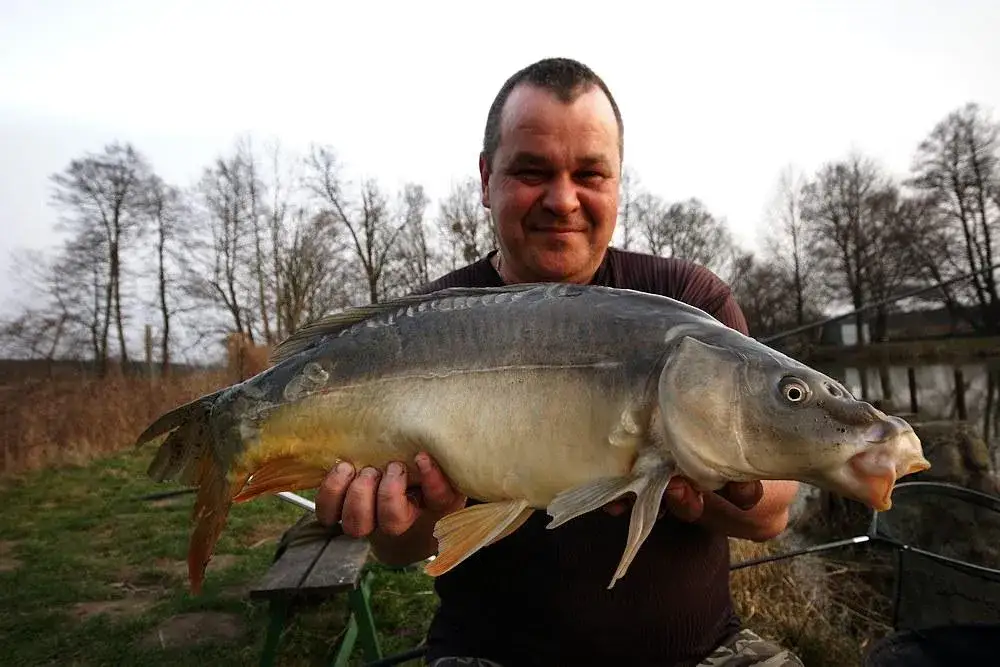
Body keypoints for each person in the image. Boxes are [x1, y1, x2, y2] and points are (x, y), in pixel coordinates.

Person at [313, 57, 803, 667]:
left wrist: (701, 488)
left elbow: (770, 516)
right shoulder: (423, 326)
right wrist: (420, 513)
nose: (563, 200)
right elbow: (397, 550)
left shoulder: (688, 305)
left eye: (589, 173)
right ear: (486, 178)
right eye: (532, 171)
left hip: (700, 652)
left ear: (617, 181)